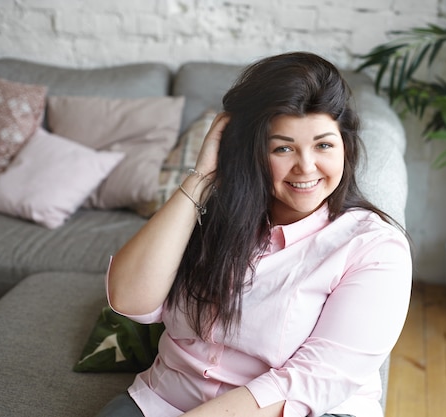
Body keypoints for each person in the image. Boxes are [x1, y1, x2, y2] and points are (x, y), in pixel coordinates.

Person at [98, 51, 412, 417]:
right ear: (252, 152)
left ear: (346, 147)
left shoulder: (374, 247)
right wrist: (200, 179)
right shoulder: (210, 215)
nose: (306, 166)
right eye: (283, 148)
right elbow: (129, 301)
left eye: (323, 145)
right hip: (162, 402)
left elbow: (312, 380)